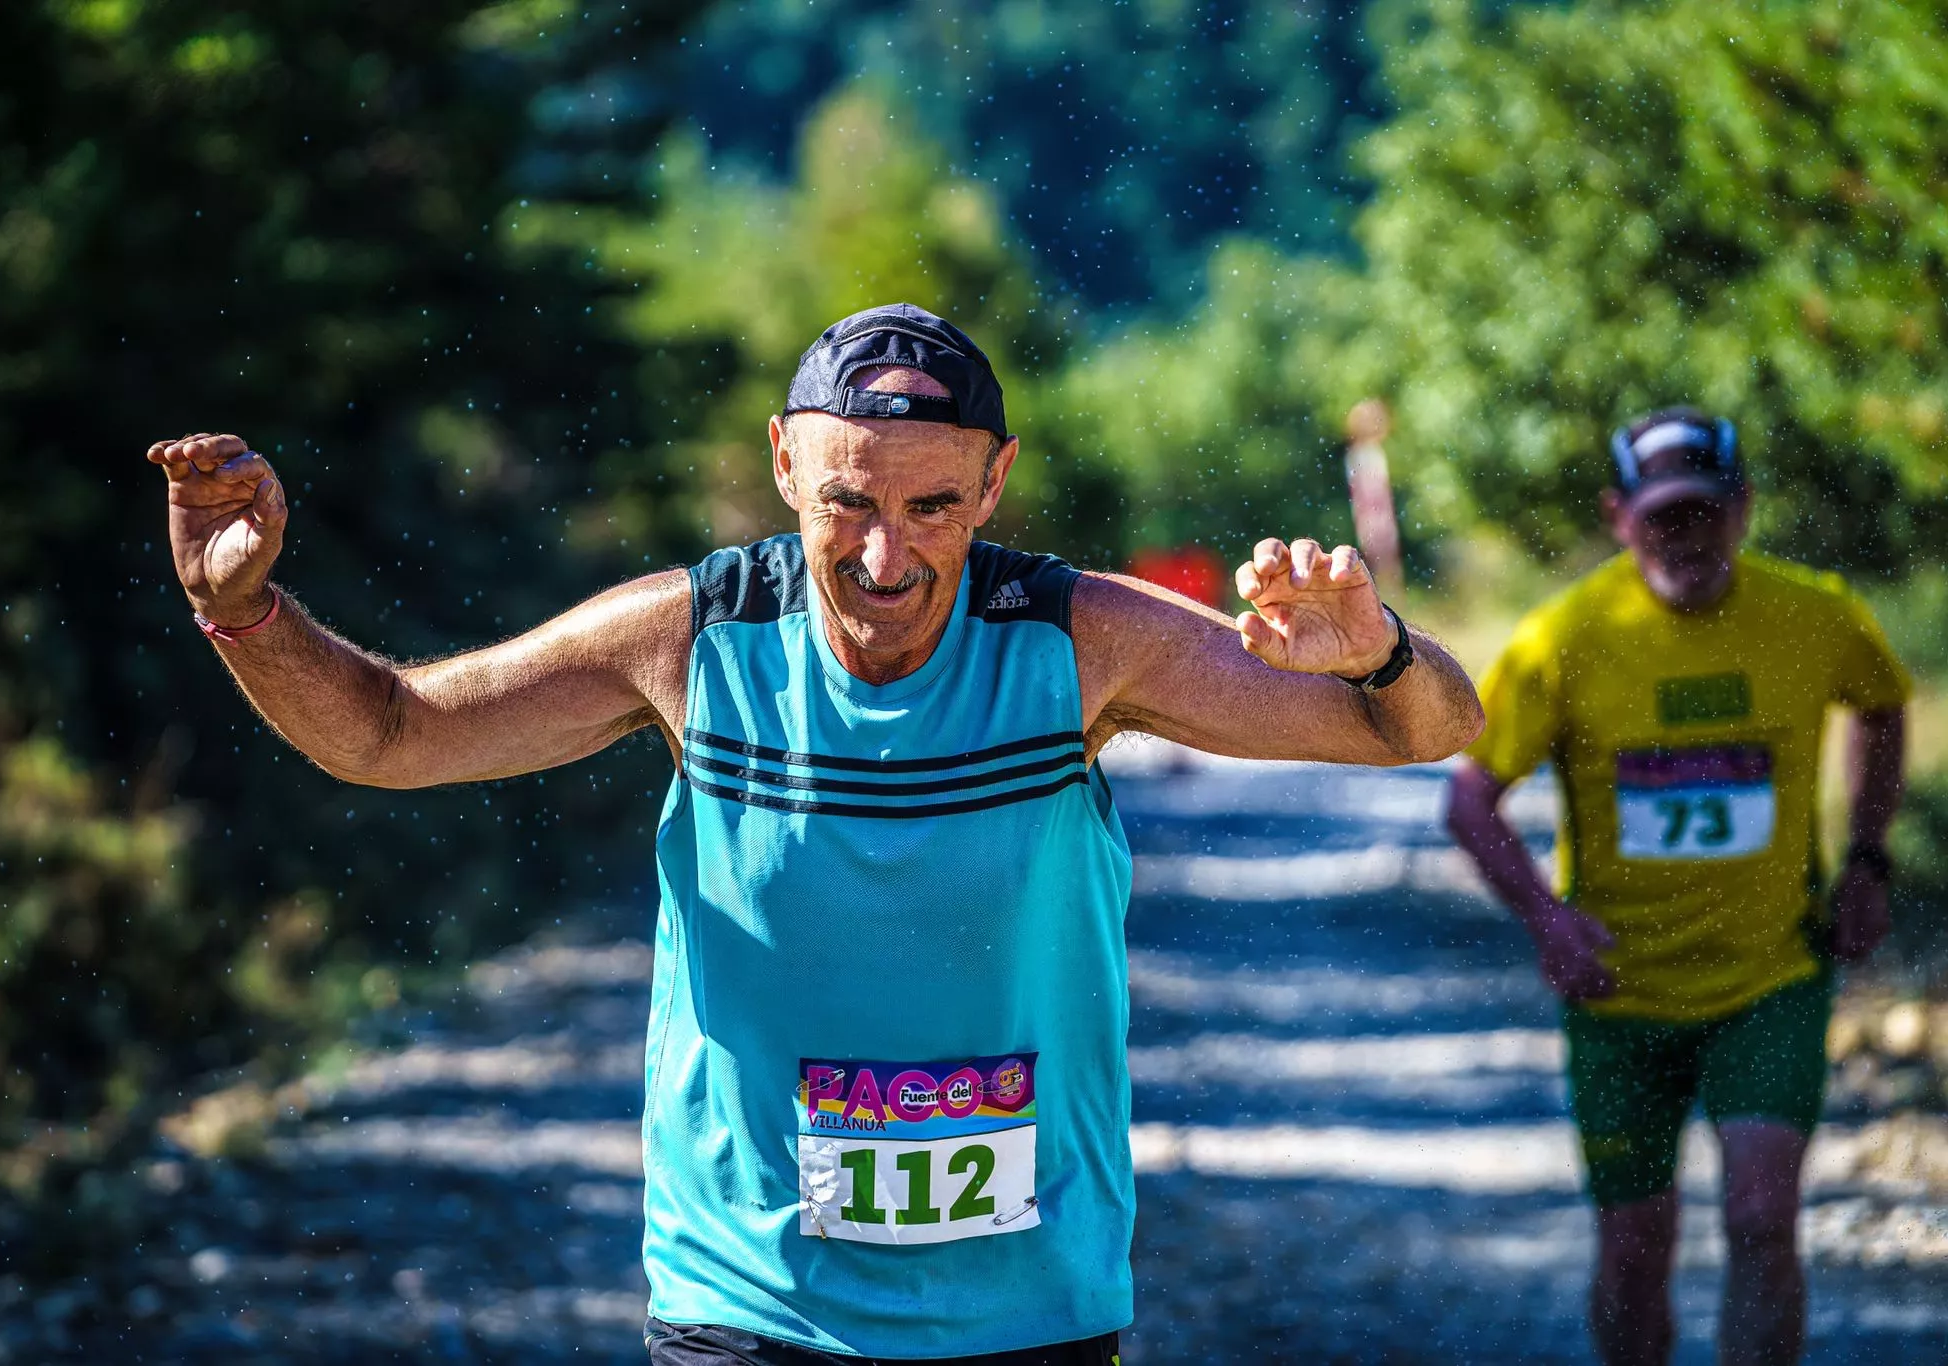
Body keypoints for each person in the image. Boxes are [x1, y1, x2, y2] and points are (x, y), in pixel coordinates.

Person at [149, 303, 1485, 1364]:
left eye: (934, 507)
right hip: (750, 1301)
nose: (886, 554)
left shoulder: (1080, 644)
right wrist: (250, 612)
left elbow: (1420, 730)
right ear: (785, 460)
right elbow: (389, 732)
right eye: (847, 498)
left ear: (998, 481)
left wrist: (1376, 654)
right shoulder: (690, 641)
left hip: (1028, 1307)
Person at [1446, 408, 1909, 1366]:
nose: (1683, 538)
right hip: (1621, 993)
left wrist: (1867, 858)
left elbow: (1883, 701)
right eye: (1661, 517)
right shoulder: (1567, 636)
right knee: (1633, 1250)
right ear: (1618, 516)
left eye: (1702, 513)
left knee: (1761, 1216)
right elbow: (1470, 798)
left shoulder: (1814, 614)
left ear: (1741, 508)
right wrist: (1547, 920)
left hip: (1771, 976)